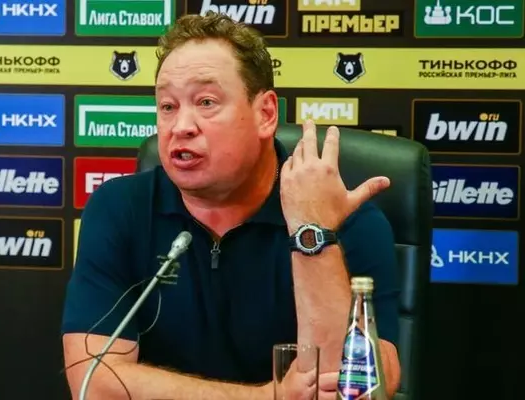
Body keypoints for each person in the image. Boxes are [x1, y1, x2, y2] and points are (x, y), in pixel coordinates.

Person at [61, 11, 401, 400]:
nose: (181, 126)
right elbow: (94, 383)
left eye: (206, 102)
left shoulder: (348, 221)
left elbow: (352, 388)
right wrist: (267, 397)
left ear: (265, 114)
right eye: (167, 106)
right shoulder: (120, 209)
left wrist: (312, 233)